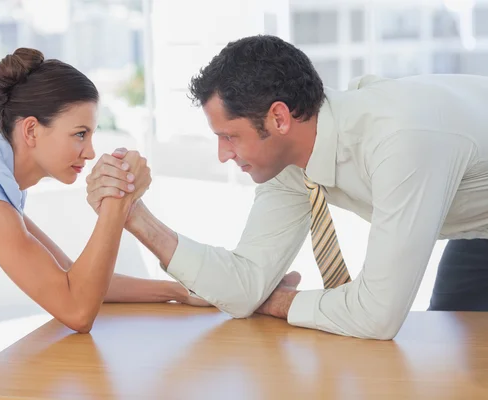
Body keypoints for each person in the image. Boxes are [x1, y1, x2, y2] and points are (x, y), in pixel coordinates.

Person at [86, 35, 488, 341]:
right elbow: (245, 285)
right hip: (475, 226)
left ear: (278, 117)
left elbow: (377, 315)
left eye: (230, 137)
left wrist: (272, 300)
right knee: (449, 347)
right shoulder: (290, 161)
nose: (224, 155)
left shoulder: (400, 141)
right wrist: (133, 215)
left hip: (458, 190)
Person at [0, 47, 206, 400]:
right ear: (31, 131)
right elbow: (77, 311)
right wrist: (117, 204)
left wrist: (177, 292)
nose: (89, 152)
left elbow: (71, 276)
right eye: (80, 134)